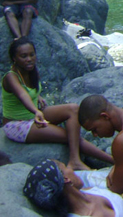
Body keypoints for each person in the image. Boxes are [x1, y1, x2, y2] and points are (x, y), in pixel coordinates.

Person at [1, 38, 113, 170]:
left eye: (32, 55)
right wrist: (36, 110)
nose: (29, 59)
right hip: (18, 123)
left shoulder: (30, 71)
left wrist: (37, 97)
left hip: (33, 114)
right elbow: (22, 94)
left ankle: (86, 160)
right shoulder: (11, 77)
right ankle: (105, 160)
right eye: (23, 56)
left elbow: (27, 91)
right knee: (70, 136)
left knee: (73, 109)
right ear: (14, 58)